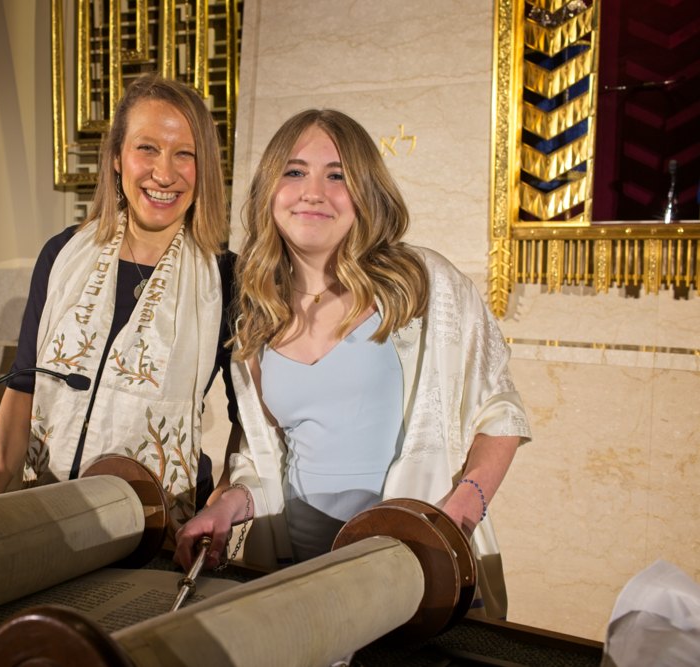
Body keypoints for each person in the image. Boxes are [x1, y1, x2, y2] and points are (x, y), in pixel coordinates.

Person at [175, 109, 531, 617]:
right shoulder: (255, 318)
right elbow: (266, 461)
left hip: (411, 572)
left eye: (336, 175)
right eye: (294, 172)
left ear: (367, 191)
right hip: (299, 575)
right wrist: (229, 505)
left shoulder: (424, 286)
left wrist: (464, 507)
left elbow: (501, 411)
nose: (313, 192)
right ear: (269, 191)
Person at [0, 73, 238, 525]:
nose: (165, 173)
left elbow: (249, 422)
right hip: (46, 510)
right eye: (147, 148)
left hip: (156, 525)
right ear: (117, 157)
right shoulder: (62, 254)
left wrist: (217, 510)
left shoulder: (227, 278)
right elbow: (23, 389)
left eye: (185, 154)